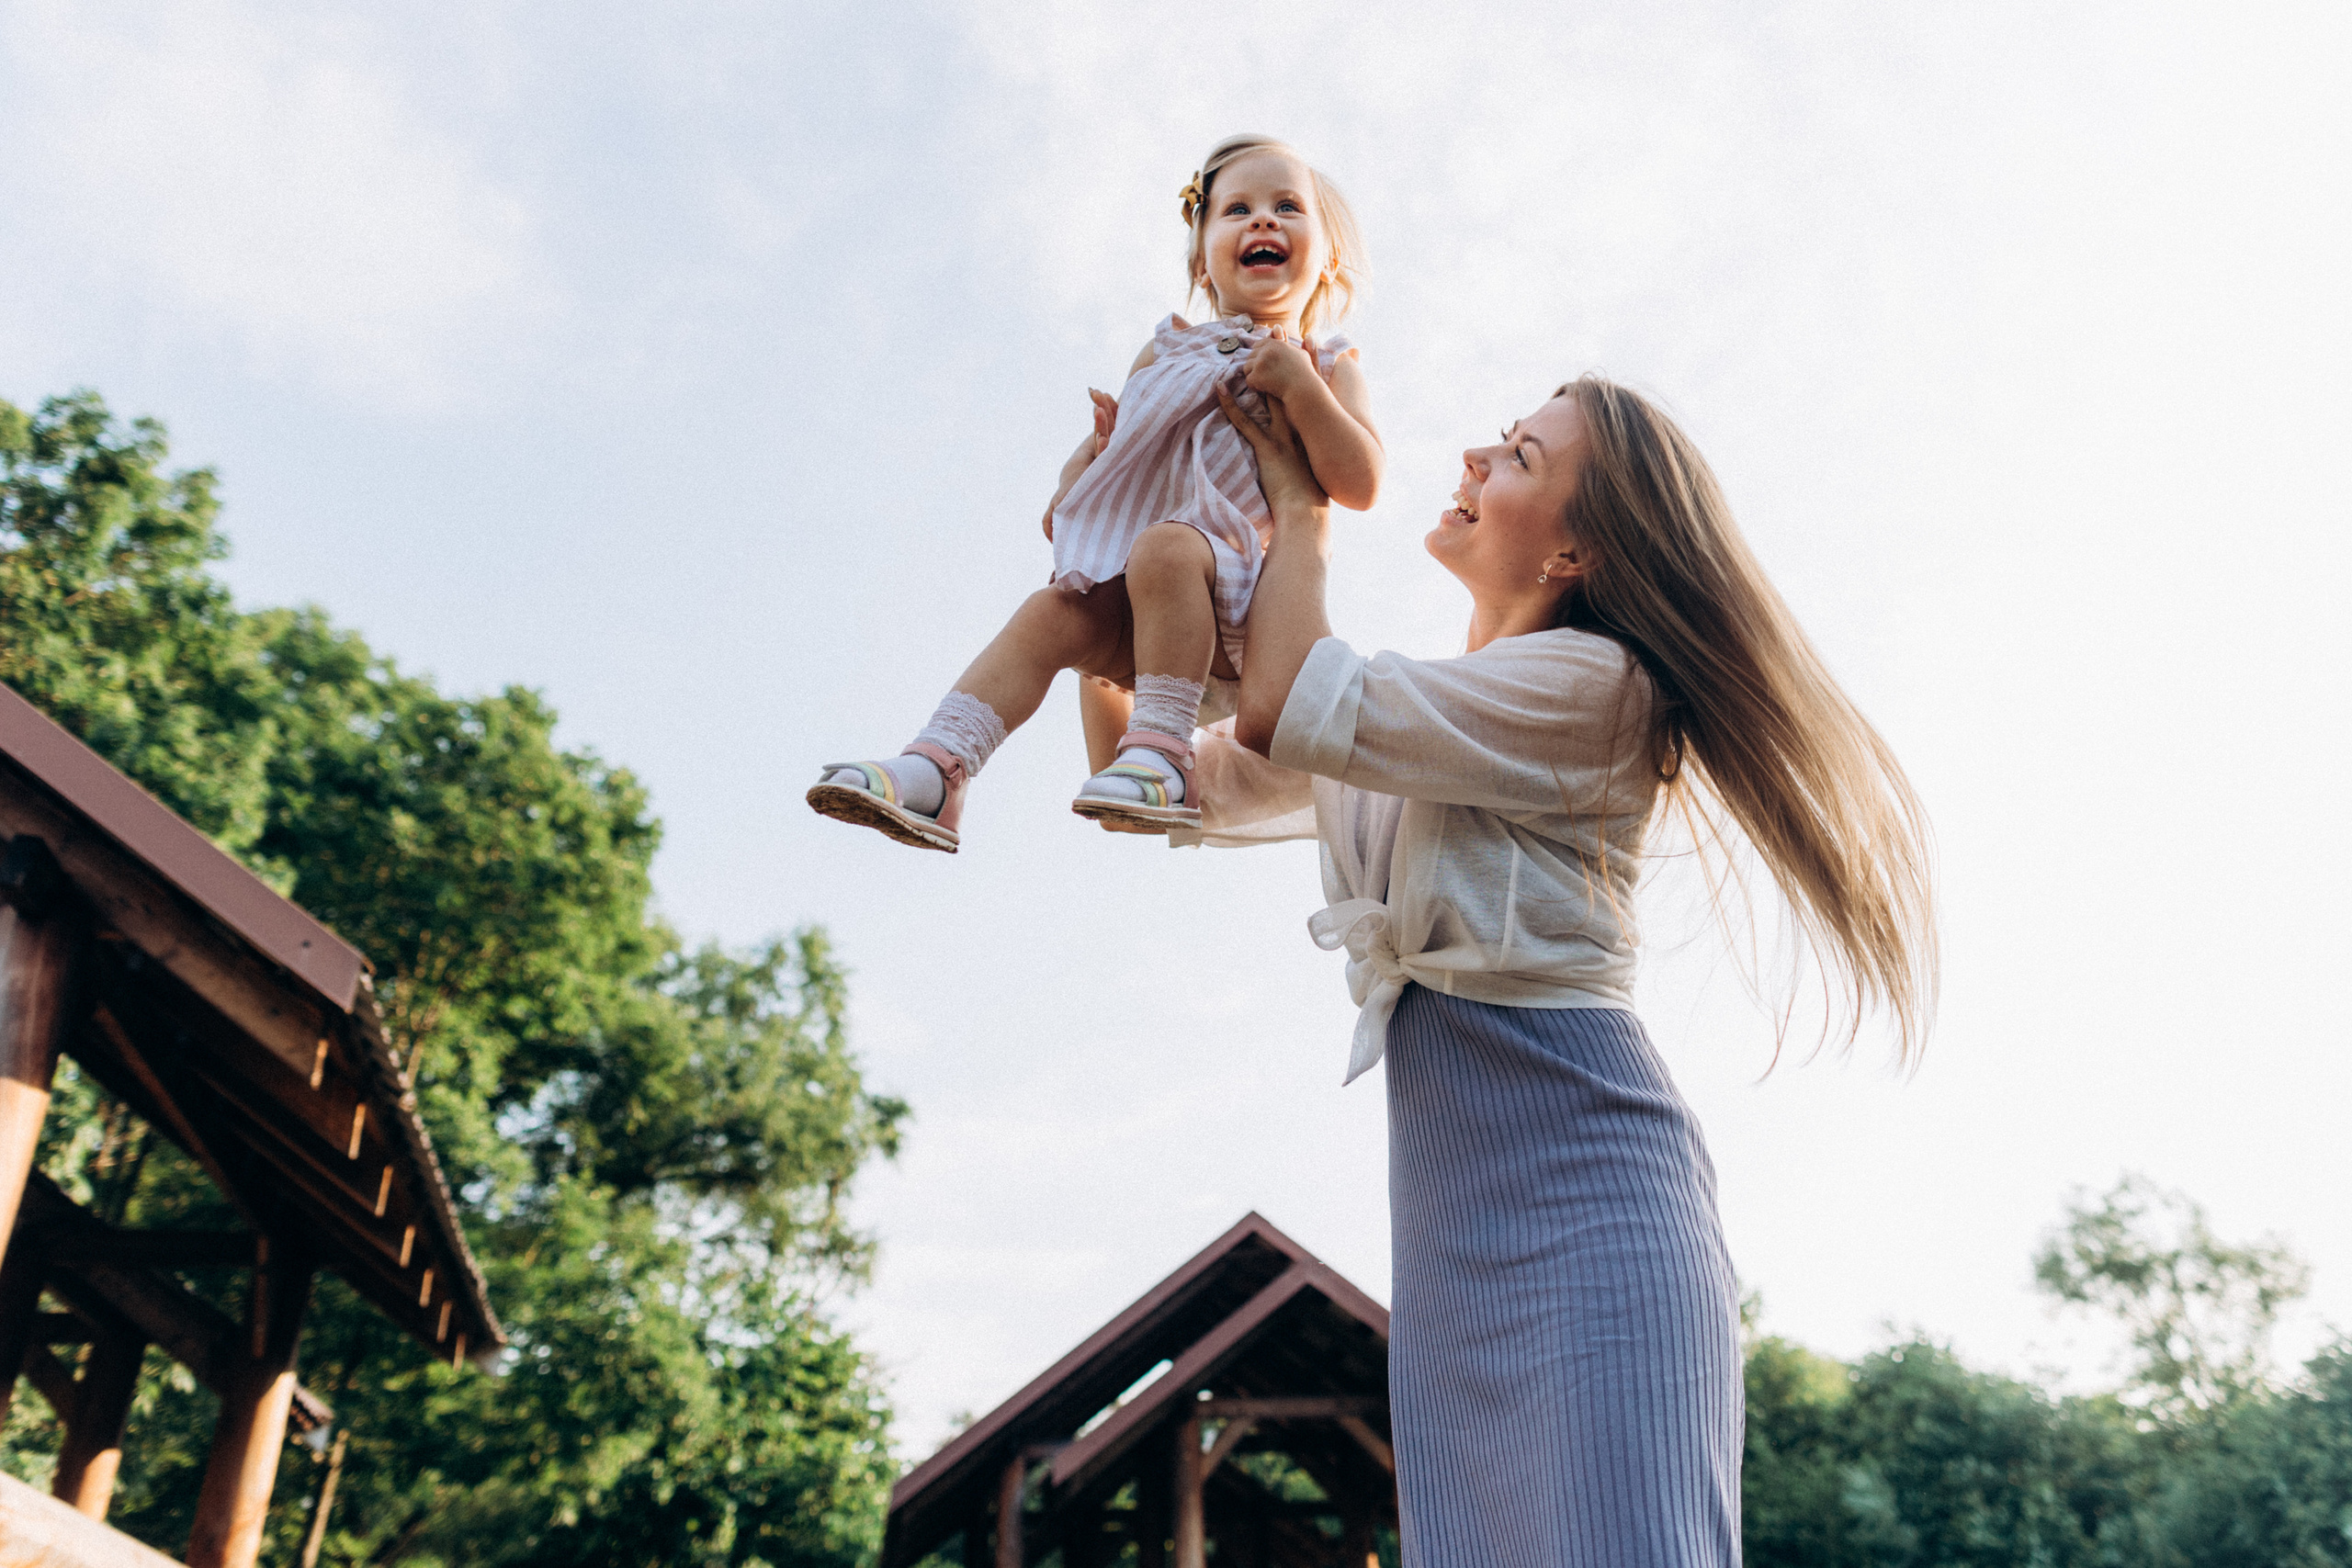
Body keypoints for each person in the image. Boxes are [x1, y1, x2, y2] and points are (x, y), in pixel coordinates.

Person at [1194, 377, 1938, 1566]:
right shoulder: (1431, 715)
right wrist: (1108, 573)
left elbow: (1285, 704)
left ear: (1575, 550)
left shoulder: (1598, 687)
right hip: (1454, 1259)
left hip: (1596, 1232)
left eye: (1520, 456)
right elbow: (1159, 780)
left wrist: (1299, 502)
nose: (1476, 456)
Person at [806, 134, 1382, 851]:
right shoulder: (1165, 349)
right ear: (1201, 263)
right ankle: (939, 765)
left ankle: (1163, 756)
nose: (1263, 219)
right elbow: (1104, 484)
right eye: (1237, 209)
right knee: (1051, 610)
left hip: (1237, 613)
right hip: (1143, 601)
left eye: (1287, 206)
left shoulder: (1325, 361)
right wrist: (1077, 479)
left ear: (1327, 258)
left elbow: (1361, 482)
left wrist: (1303, 391)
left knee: (1168, 546)